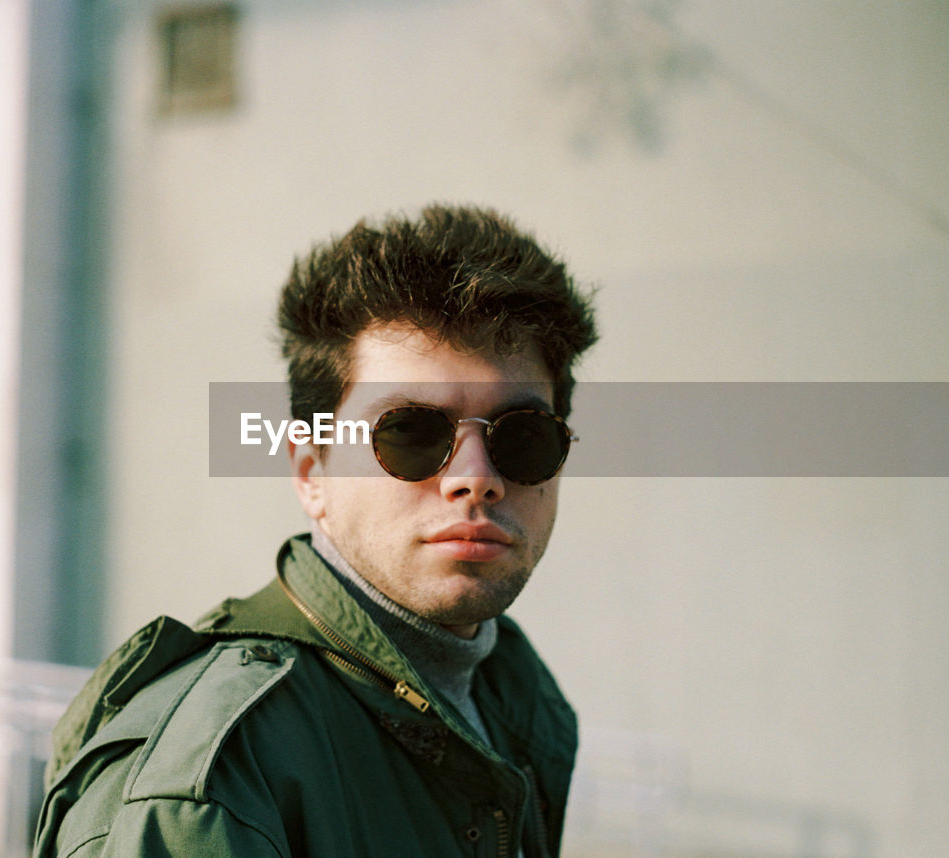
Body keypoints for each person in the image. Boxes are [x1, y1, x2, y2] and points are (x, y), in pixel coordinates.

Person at [33, 204, 598, 858]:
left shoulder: (513, 698)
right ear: (312, 473)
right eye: (411, 433)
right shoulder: (206, 791)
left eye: (523, 438)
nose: (475, 478)